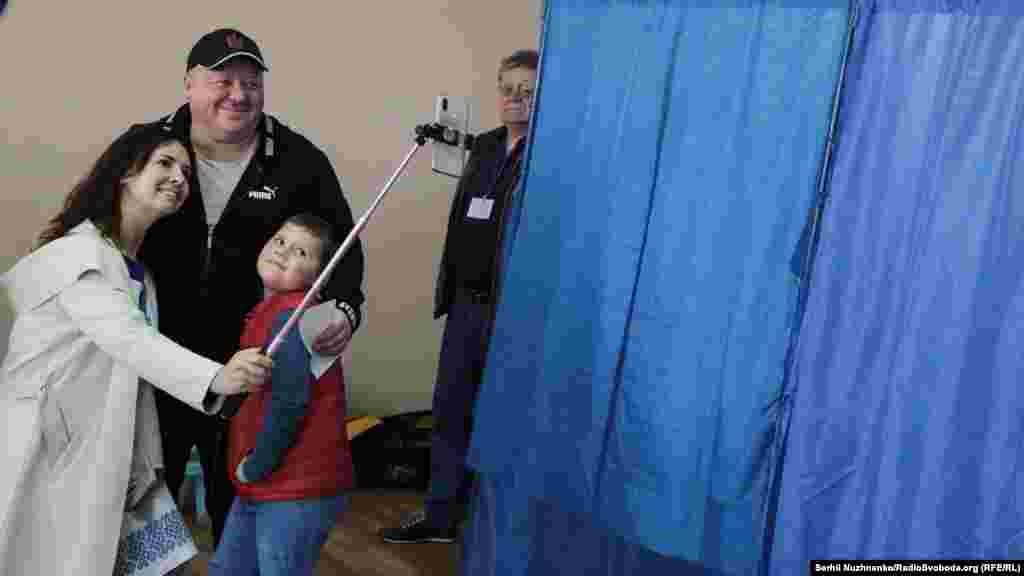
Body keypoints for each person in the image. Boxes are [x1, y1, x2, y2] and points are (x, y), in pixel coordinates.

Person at [0, 123, 273, 576]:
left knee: (167, 562)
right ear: (125, 173)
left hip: (117, 455)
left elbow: (132, 372)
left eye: (186, 171)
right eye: (164, 164)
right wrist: (216, 377)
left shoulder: (137, 274)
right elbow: (129, 339)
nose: (179, 177)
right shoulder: (76, 257)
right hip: (52, 451)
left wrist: (149, 462)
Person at [135, 27, 366, 546]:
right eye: (224, 80)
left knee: (235, 511)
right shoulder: (149, 149)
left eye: (251, 82)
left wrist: (346, 311)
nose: (239, 95)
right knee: (144, 512)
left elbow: (343, 255)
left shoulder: (299, 160)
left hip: (250, 371)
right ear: (190, 84)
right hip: (155, 362)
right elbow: (106, 223)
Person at [381, 48, 539, 544]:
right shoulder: (487, 146)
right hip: (466, 300)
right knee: (451, 407)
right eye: (507, 88)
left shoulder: (549, 153)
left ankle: (498, 526)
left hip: (513, 309)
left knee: (505, 415)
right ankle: (441, 515)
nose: (515, 98)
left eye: (528, 90)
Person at [208, 213, 353, 575]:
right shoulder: (268, 310)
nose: (284, 252)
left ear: (321, 274)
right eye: (280, 241)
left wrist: (255, 466)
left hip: (296, 486)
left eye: (301, 252)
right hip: (264, 481)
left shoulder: (293, 316)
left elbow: (290, 404)